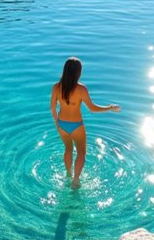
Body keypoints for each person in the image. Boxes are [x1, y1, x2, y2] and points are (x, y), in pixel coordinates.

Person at [50, 57, 120, 189]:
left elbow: (52, 107)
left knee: (68, 149)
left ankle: (68, 174)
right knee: (81, 153)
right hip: (76, 125)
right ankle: (76, 180)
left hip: (62, 124)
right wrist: (110, 107)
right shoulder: (81, 89)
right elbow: (92, 108)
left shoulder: (56, 87)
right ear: (78, 72)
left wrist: (57, 123)